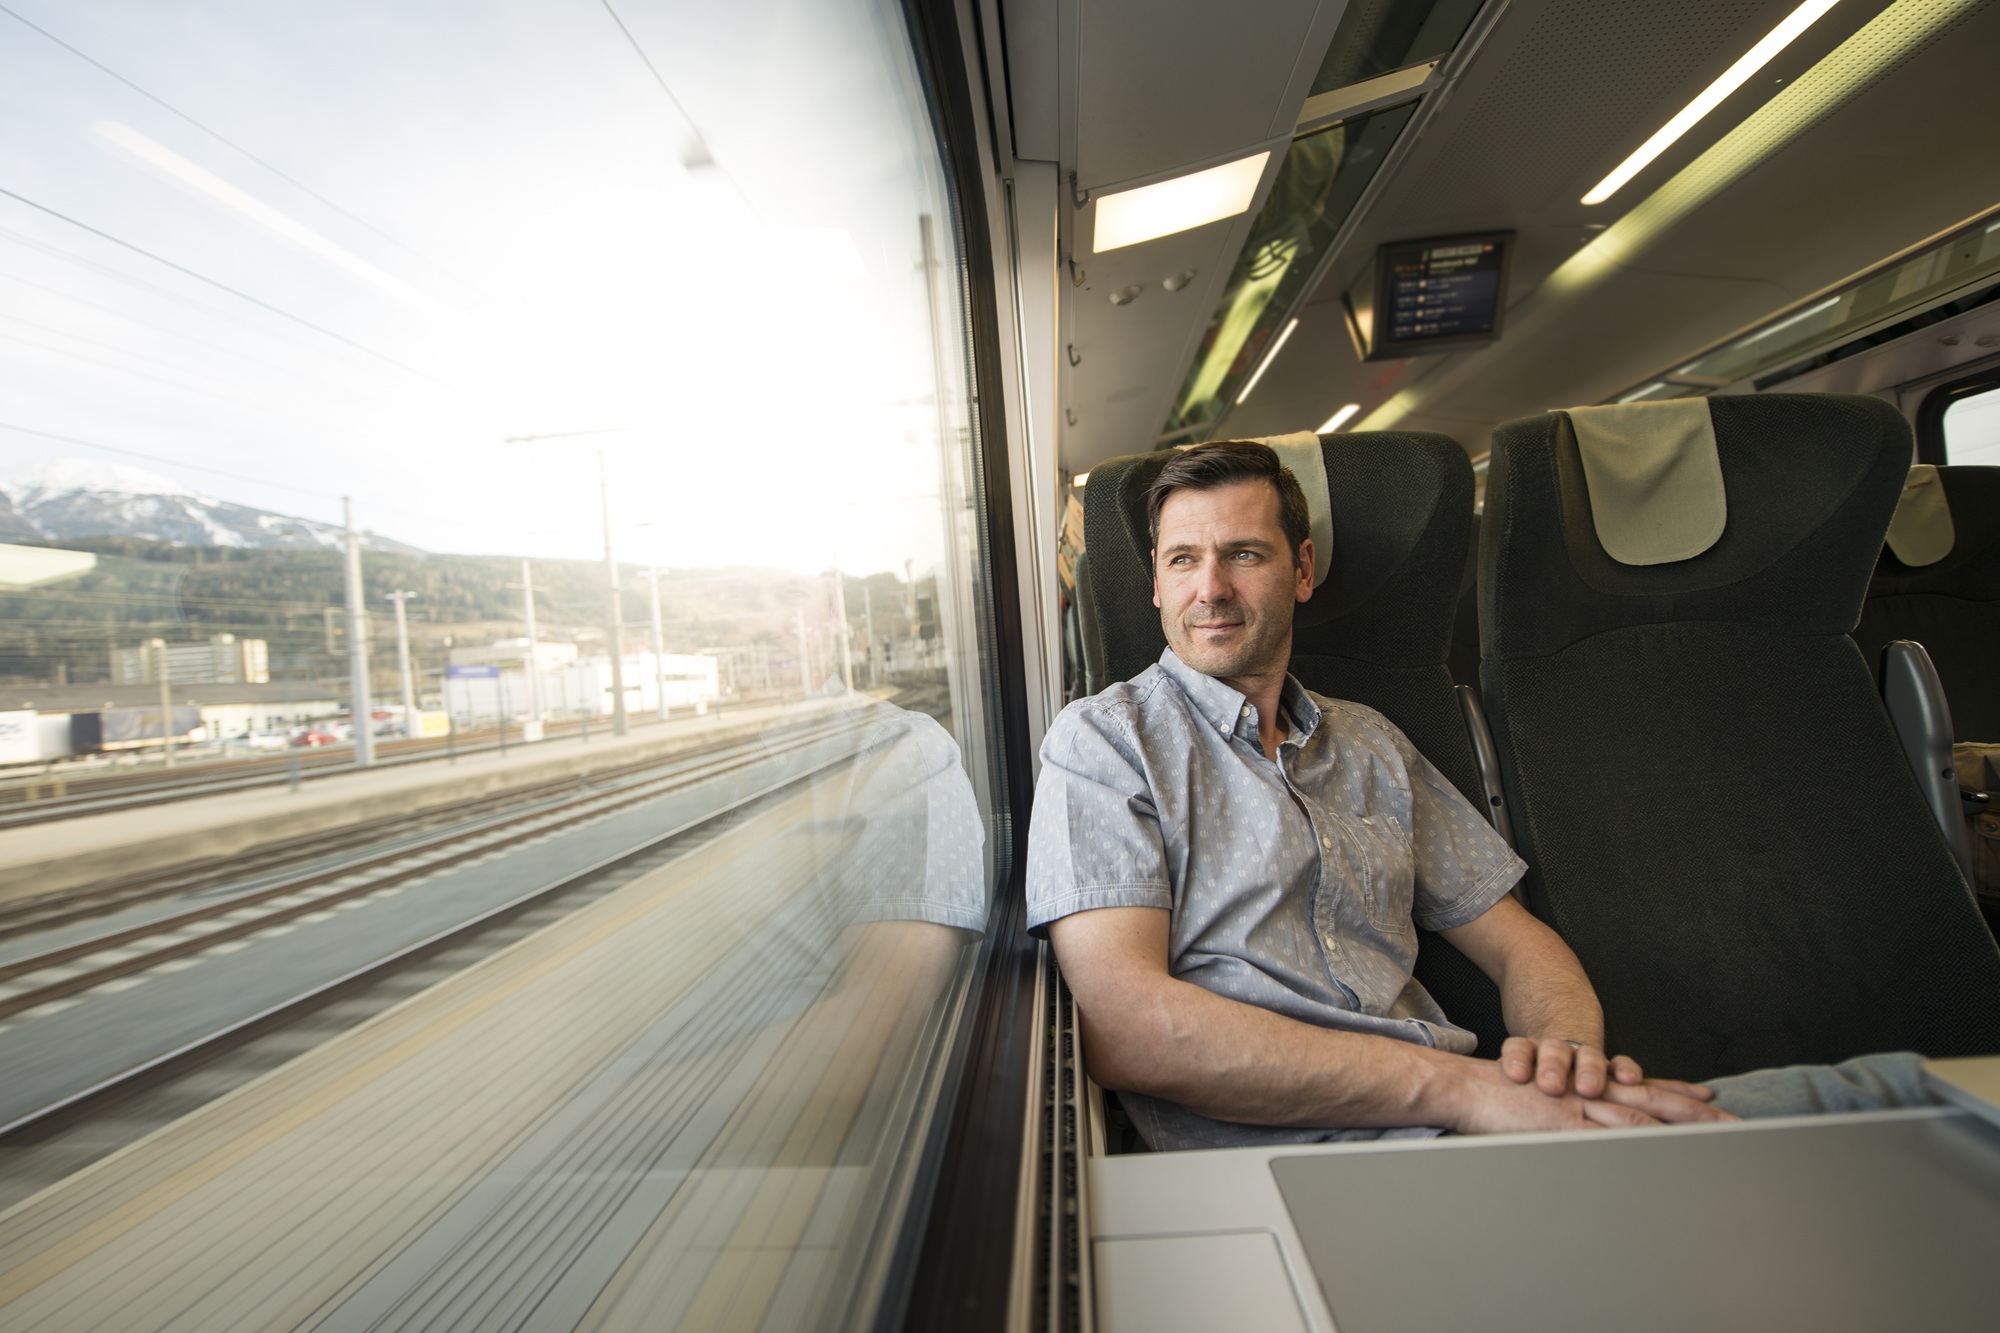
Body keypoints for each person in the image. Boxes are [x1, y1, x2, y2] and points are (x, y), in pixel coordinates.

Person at [1027, 440, 1934, 1151]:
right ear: (1153, 583)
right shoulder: (1105, 743)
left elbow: (1523, 948)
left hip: (1476, 1122)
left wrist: (1564, 1056)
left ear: (1301, 570)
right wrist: (1466, 1092)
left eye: (1244, 554)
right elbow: (1128, 1027)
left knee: (1893, 1093)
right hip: (1317, 1151)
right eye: (1183, 559)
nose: (1211, 588)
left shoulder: (1372, 742)